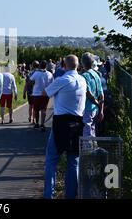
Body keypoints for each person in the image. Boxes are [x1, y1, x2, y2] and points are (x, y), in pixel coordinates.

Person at [42, 55, 87, 199]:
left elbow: (46, 93)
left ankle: (49, 194)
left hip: (61, 123)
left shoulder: (62, 80)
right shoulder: (82, 80)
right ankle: (71, 195)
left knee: (51, 160)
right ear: (78, 65)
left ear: (64, 65)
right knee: (73, 162)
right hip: (77, 123)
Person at [81, 54, 104, 137]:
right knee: (93, 130)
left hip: (88, 108)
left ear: (82, 63)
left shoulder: (84, 76)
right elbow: (101, 94)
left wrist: (97, 103)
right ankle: (93, 148)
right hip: (96, 109)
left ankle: (88, 150)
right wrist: (101, 109)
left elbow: (88, 94)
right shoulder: (96, 75)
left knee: (87, 132)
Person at [30, 60, 54, 132]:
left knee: (36, 109)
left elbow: (30, 81)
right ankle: (42, 124)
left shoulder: (36, 73)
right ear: (46, 66)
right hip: (45, 94)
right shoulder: (49, 74)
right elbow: (52, 83)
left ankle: (37, 123)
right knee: (43, 109)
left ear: (40, 65)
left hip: (36, 94)